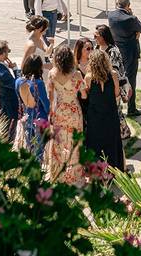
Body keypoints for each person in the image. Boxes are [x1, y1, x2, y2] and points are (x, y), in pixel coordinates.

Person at [46, 45, 85, 183]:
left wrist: (51, 112)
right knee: (74, 142)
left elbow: (50, 96)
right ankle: (73, 174)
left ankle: (58, 173)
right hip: (74, 111)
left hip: (60, 110)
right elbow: (84, 94)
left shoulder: (51, 74)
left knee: (60, 142)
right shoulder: (77, 74)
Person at [81, 49, 124, 171]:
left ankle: (96, 171)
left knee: (95, 144)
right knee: (112, 142)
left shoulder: (88, 77)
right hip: (110, 113)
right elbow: (117, 93)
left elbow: (86, 95)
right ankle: (113, 170)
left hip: (95, 115)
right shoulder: (114, 74)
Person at [107, 0, 141, 116]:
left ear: (117, 3)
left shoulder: (111, 16)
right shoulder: (131, 19)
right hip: (130, 52)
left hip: (117, 51)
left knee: (116, 77)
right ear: (128, 6)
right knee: (131, 78)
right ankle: (131, 108)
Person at [94, 24, 131, 140]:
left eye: (96, 36)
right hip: (101, 83)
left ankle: (124, 131)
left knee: (116, 109)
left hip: (114, 83)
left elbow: (114, 69)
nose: (94, 38)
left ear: (103, 36)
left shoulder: (113, 51)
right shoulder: (96, 48)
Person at [15, 55, 50, 161]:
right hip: (40, 119)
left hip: (27, 117)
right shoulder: (38, 83)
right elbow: (45, 103)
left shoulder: (18, 81)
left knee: (30, 149)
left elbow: (19, 100)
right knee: (39, 152)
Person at [0, 41, 20, 142]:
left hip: (2, 104)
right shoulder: (1, 74)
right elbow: (17, 84)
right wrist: (15, 69)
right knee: (10, 134)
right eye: (7, 52)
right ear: (2, 55)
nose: (8, 55)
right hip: (8, 108)